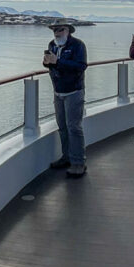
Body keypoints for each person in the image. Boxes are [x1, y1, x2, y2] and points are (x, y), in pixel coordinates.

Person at [42, 20, 89, 177]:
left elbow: (81, 66)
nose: (56, 32)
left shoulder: (78, 45)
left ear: (68, 30)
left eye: (60, 29)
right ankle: (67, 157)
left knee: (74, 127)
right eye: (54, 29)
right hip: (58, 92)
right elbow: (52, 65)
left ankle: (78, 163)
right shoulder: (52, 45)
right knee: (62, 126)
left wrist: (58, 61)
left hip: (74, 92)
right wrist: (47, 63)